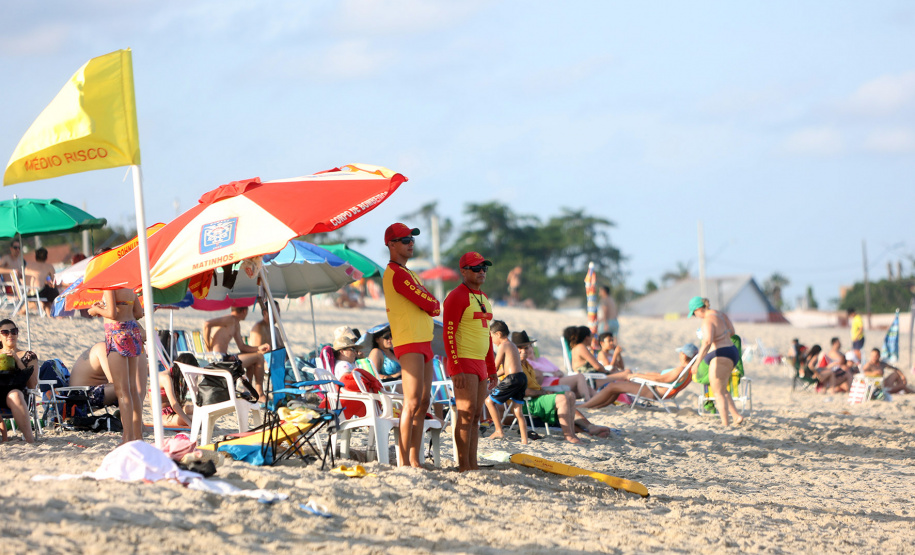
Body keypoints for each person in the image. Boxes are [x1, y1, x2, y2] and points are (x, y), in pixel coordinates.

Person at [382, 223, 441, 468]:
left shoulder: (410, 273)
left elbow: (431, 302)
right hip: (409, 340)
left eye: (412, 239)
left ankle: (414, 459)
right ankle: (404, 462)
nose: (411, 243)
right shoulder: (396, 273)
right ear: (392, 244)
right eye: (405, 239)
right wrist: (430, 302)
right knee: (412, 401)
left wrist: (430, 302)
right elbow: (430, 304)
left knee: (424, 402)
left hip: (423, 340)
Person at [443, 251, 497, 471]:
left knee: (475, 415)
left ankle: (472, 464)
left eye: (484, 268)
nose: (482, 271)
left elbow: (487, 336)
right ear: (463, 271)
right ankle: (463, 465)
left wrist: (492, 367)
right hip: (464, 361)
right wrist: (454, 367)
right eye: (476, 268)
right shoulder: (456, 296)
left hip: (481, 364)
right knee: (465, 414)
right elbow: (448, 333)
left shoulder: (483, 298)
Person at [515, 330, 610, 442]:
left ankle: (581, 430)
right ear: (513, 349)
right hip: (525, 402)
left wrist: (543, 391)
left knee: (570, 395)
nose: (524, 351)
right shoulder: (516, 366)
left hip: (535, 398)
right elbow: (524, 392)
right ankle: (569, 435)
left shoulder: (528, 365)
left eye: (526, 348)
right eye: (520, 348)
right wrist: (544, 392)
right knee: (562, 399)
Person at [87, 288, 146, 443]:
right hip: (133, 332)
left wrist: (96, 310)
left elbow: (112, 314)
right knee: (133, 390)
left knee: (122, 391)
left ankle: (127, 438)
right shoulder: (129, 285)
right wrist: (105, 307)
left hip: (117, 334)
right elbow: (138, 313)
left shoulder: (110, 285)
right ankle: (138, 436)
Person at [581, 343, 698, 409]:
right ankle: (597, 405)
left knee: (612, 386)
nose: (679, 355)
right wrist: (644, 374)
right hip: (655, 389)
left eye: (680, 353)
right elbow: (660, 376)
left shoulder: (680, 369)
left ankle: (586, 405)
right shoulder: (688, 371)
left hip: (654, 391)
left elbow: (660, 379)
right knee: (617, 387)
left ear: (683, 355)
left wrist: (637, 375)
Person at [689, 296, 743, 426]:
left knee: (717, 392)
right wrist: (721, 335)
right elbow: (732, 332)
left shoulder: (707, 321)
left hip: (720, 354)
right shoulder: (721, 315)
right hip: (731, 351)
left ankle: (725, 423)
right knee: (722, 388)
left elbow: (707, 342)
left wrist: (696, 363)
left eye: (694, 314)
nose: (696, 316)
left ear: (698, 309)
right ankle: (736, 416)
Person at [202, 305, 270, 403]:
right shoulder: (230, 319)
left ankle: (248, 390)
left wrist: (259, 348)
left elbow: (242, 346)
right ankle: (259, 392)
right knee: (259, 357)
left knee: (252, 355)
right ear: (244, 311)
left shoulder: (235, 323)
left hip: (224, 357)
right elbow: (206, 324)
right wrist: (207, 347)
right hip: (219, 360)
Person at [484, 320, 529, 444]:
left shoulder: (503, 346)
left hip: (512, 379)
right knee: (517, 411)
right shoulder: (513, 345)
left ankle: (499, 430)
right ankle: (524, 440)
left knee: (489, 401)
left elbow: (495, 366)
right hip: (521, 378)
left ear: (498, 334)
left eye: (491, 336)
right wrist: (492, 376)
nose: (492, 340)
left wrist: (486, 375)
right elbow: (504, 369)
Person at [0, 319, 37, 443]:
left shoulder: (28, 355)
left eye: (13, 331)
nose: (10, 335)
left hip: (19, 395)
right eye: (5, 332)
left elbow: (32, 384)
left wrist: (16, 359)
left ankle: (29, 440)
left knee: (14, 394)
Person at [69, 342, 125, 407]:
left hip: (88, 392)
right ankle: (126, 415)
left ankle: (122, 414)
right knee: (127, 387)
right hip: (81, 396)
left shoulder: (109, 348)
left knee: (131, 385)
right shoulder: (103, 348)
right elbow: (114, 379)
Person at [159, 353, 197, 427]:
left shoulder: (175, 376)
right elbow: (174, 404)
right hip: (164, 415)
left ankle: (217, 429)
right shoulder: (165, 378)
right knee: (197, 419)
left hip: (175, 410)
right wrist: (189, 423)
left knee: (199, 410)